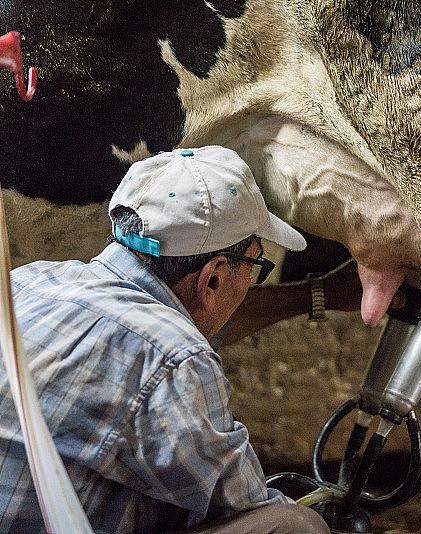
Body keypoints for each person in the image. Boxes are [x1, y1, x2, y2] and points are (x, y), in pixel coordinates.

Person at [0, 146, 362, 533]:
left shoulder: (30, 282)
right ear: (215, 277)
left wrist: (319, 293)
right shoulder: (177, 360)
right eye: (256, 265)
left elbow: (169, 333)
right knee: (294, 526)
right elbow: (242, 503)